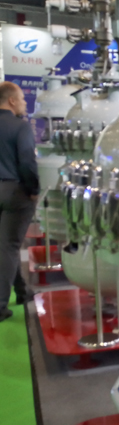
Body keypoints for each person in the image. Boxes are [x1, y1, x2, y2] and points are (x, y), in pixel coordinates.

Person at [0, 82, 39, 322]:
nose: (25, 103)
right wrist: (33, 189)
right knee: (9, 246)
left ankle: (22, 290)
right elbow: (27, 161)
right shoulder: (20, 126)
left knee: (5, 245)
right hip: (14, 191)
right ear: (11, 100)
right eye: (22, 99)